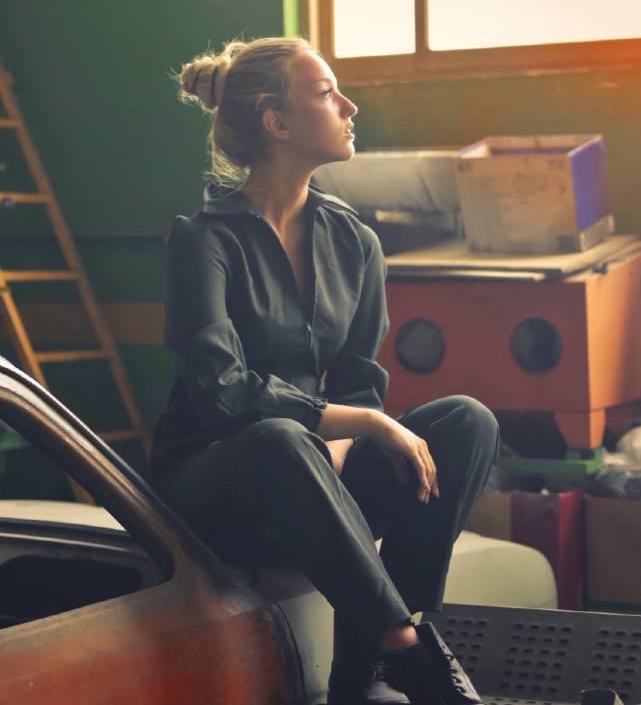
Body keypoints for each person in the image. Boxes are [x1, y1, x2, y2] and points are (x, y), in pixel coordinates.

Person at [149, 35, 500, 705]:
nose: (348, 105)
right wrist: (357, 426)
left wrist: (341, 441)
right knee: (280, 439)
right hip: (218, 487)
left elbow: (358, 375)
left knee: (465, 422)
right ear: (276, 124)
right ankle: (403, 651)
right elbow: (225, 398)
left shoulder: (354, 242)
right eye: (324, 92)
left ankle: (368, 659)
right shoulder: (202, 242)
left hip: (317, 472)